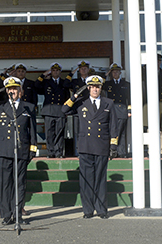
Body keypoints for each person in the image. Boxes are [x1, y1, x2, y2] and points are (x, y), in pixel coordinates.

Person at [62, 75, 118, 219]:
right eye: (92, 87)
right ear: (88, 88)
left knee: (100, 179)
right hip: (85, 146)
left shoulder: (108, 103)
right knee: (86, 181)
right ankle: (87, 210)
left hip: (102, 146)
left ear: (101, 88)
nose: (95, 89)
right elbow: (64, 110)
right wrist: (74, 97)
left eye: (97, 87)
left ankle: (101, 210)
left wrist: (113, 145)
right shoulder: (81, 103)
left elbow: (113, 125)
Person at [0, 77, 38, 226]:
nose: (13, 91)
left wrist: (32, 148)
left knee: (20, 184)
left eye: (16, 89)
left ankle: (18, 214)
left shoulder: (28, 107)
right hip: (4, 149)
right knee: (5, 184)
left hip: (22, 149)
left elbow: (32, 129)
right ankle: (6, 214)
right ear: (6, 91)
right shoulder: (0, 107)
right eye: (10, 89)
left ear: (21, 91)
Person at [36, 62, 72, 158]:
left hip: (60, 111)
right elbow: (36, 86)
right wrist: (43, 75)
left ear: (60, 72)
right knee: (49, 133)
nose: (55, 72)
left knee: (59, 133)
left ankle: (58, 152)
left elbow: (67, 98)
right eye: (53, 70)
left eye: (57, 70)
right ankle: (50, 152)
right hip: (48, 111)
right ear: (51, 71)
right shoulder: (46, 82)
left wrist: (67, 111)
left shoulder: (64, 83)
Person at [102, 63, 130, 158]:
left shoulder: (125, 84)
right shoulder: (108, 84)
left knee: (121, 132)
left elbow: (129, 98)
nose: (115, 73)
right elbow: (100, 84)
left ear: (120, 72)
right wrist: (106, 73)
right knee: (114, 131)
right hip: (112, 110)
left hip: (122, 110)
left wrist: (129, 110)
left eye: (117, 71)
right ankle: (114, 151)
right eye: (113, 72)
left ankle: (121, 152)